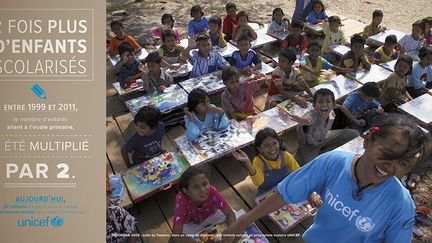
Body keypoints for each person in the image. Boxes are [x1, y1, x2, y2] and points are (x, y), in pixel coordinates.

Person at [224, 113, 430, 243]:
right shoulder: (332, 162)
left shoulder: (401, 205)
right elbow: (285, 193)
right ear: (368, 140)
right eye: (387, 153)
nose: (391, 166)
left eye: (403, 163)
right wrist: (242, 222)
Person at [290, 88, 359, 163]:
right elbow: (308, 119)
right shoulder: (312, 115)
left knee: (354, 134)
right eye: (320, 101)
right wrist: (303, 121)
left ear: (333, 105)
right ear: (314, 105)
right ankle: (319, 154)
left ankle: (324, 152)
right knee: (312, 164)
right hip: (309, 147)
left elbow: (339, 107)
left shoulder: (331, 113)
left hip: (324, 137)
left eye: (328, 101)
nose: (324, 104)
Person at [172, 166, 236, 242]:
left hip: (212, 215)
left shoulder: (212, 192)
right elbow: (177, 234)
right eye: (196, 187)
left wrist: (230, 234)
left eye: (205, 184)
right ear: (186, 191)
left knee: (234, 224)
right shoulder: (181, 200)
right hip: (191, 223)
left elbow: (230, 213)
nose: (202, 190)